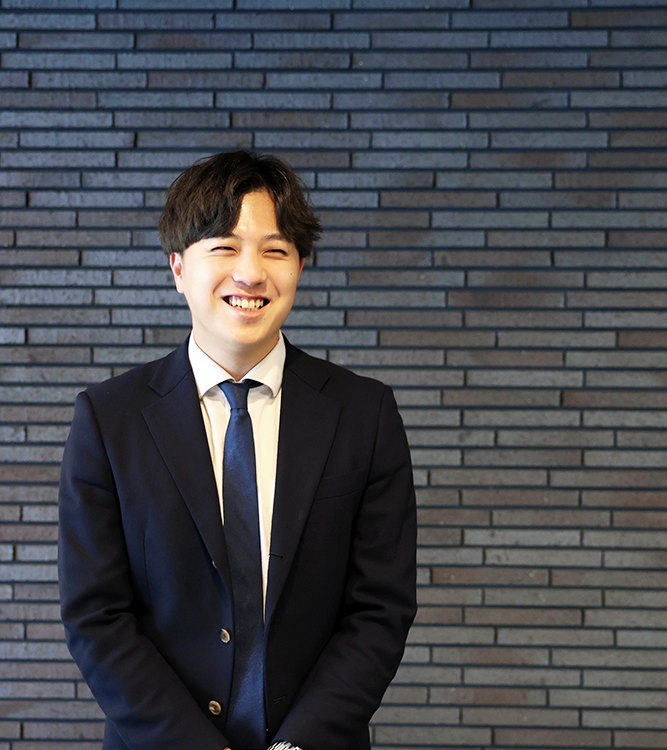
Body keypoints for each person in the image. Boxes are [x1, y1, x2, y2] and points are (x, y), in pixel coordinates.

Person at [57, 150, 417, 750]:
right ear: (178, 267)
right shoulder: (108, 418)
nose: (250, 274)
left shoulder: (364, 414)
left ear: (300, 266)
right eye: (224, 247)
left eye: (275, 250)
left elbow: (380, 610)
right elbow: (96, 616)